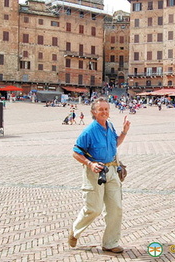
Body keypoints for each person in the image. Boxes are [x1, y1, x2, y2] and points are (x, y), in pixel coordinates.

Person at [69, 97, 130, 253]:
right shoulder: (89, 131)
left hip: (112, 171)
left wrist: (124, 131)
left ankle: (110, 243)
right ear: (94, 112)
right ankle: (75, 231)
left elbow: (114, 144)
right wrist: (90, 163)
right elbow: (76, 152)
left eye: (106, 109)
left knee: (116, 208)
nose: (104, 112)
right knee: (94, 209)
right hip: (95, 173)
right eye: (101, 109)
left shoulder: (109, 126)